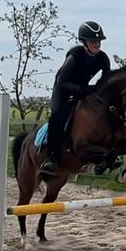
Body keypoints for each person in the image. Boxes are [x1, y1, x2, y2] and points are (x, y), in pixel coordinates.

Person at [40, 20, 111, 172]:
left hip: (82, 91)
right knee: (56, 116)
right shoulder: (74, 56)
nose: (97, 45)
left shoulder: (103, 58)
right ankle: (51, 158)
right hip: (63, 90)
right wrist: (82, 89)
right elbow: (61, 81)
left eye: (99, 41)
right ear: (84, 42)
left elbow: (106, 82)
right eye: (93, 41)